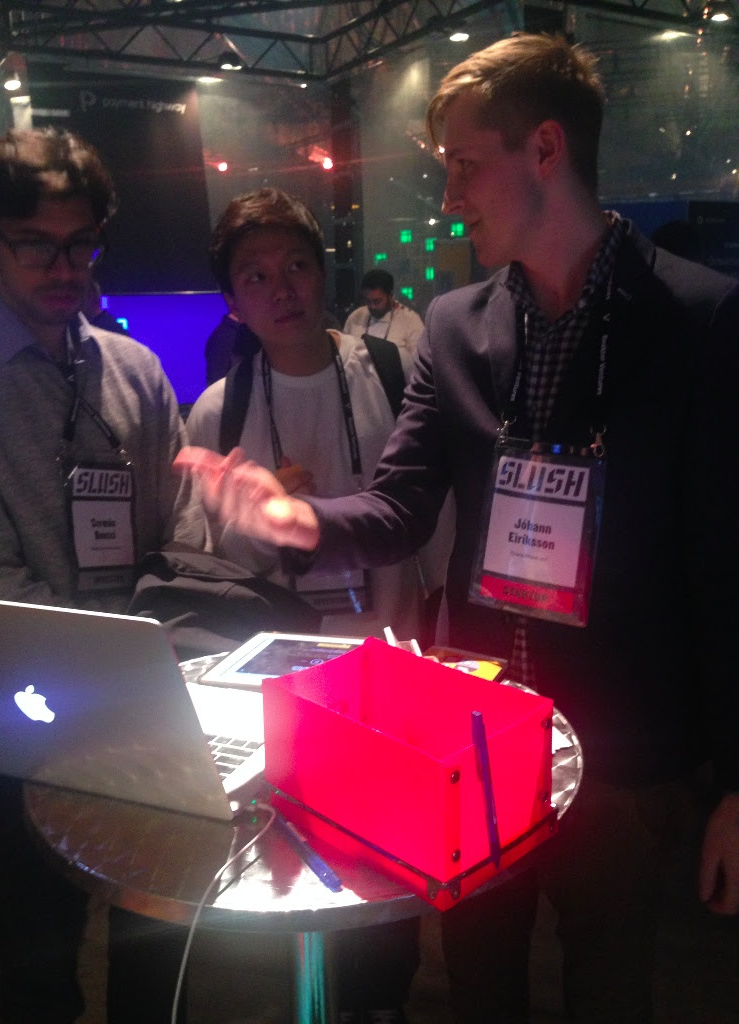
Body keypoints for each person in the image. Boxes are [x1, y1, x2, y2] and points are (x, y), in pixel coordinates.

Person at [176, 32, 739, 1024]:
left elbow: (725, 563)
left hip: (627, 746)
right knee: (480, 988)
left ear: (546, 149)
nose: (448, 197)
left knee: (611, 991)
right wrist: (296, 517)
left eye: (465, 165)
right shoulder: (456, 324)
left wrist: (736, 779)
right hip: (475, 746)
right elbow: (401, 505)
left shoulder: (698, 320)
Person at [0, 127, 205, 1023]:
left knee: (158, 930)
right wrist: (118, 666)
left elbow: (182, 527)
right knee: (37, 948)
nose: (65, 269)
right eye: (38, 245)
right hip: (26, 710)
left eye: (82, 245)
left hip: (151, 695)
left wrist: (159, 644)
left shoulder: (134, 370)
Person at [187, 186, 447, 644]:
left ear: (322, 273)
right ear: (233, 304)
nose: (283, 292)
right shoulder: (217, 412)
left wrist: (445, 641)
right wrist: (264, 525)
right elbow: (209, 573)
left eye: (296, 266)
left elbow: (438, 526)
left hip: (393, 655)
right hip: (272, 665)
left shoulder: (394, 372)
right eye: (257, 277)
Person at [343, 268, 424, 375]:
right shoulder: (355, 317)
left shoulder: (411, 321)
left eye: (377, 301)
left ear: (390, 296)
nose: (372, 306)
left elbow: (419, 366)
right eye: (368, 301)